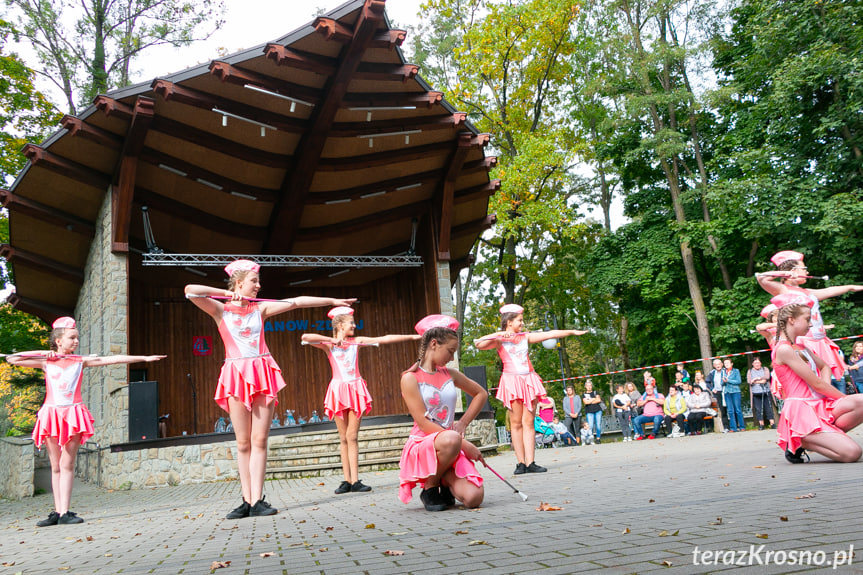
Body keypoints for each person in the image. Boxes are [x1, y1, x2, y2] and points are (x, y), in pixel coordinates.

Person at [185, 259, 355, 519]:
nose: (258, 285)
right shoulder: (220, 310)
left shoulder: (260, 310)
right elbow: (190, 290)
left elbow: (296, 301)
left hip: (263, 372)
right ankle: (245, 499)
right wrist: (228, 295)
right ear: (240, 282)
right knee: (242, 443)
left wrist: (331, 301)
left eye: (258, 281)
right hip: (235, 375)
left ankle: (257, 500)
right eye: (254, 281)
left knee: (259, 440)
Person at [6, 317, 165, 527]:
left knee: (67, 463)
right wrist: (44, 353)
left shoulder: (80, 361)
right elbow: (12, 359)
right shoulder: (46, 361)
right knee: (55, 465)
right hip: (52, 414)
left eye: (77, 337)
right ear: (58, 341)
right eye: (72, 337)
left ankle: (65, 512)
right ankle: (57, 510)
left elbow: (113, 359)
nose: (76, 341)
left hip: (73, 413)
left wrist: (144, 358)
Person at [301, 306, 419, 495]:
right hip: (338, 390)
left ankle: (355, 480)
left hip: (355, 389)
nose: (354, 325)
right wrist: (332, 339)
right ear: (340, 324)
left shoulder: (357, 342)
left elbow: (384, 338)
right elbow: (305, 337)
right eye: (351, 322)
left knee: (352, 436)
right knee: (343, 437)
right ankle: (347, 480)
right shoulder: (329, 345)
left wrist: (413, 337)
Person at [475, 304, 586, 474]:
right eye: (519, 320)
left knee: (529, 422)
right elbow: (478, 344)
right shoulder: (498, 340)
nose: (522, 322)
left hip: (529, 380)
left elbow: (549, 334)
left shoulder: (525, 336)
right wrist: (499, 334)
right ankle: (520, 463)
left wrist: (571, 332)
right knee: (516, 423)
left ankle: (531, 462)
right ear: (509, 321)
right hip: (511, 382)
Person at [398, 315, 486, 511]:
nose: (452, 358)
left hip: (450, 442)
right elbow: (422, 423)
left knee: (474, 498)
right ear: (434, 344)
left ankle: (444, 479)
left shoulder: (450, 374)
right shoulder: (410, 378)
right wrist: (463, 442)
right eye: (450, 351)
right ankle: (430, 486)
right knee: (451, 440)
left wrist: (462, 423)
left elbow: (481, 393)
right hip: (425, 441)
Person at [770, 293, 863, 464]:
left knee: (861, 401)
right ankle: (800, 439)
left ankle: (823, 436)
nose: (811, 323)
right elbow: (816, 383)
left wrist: (826, 388)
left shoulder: (800, 345)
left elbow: (825, 367)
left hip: (819, 403)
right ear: (791, 320)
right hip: (801, 410)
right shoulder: (783, 349)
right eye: (807, 319)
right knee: (853, 454)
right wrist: (843, 399)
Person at [756, 250, 863, 381]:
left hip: (819, 340)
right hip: (803, 341)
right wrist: (786, 273)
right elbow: (761, 278)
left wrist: (852, 287)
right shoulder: (782, 289)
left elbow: (829, 290)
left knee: (825, 376)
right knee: (812, 378)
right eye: (804, 268)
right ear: (793, 270)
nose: (807, 272)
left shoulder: (807, 292)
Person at [747, 357, 775, 430]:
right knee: (758, 409)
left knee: (769, 407)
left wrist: (756, 379)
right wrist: (760, 381)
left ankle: (772, 423)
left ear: (760, 363)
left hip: (766, 391)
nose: (757, 364)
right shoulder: (750, 371)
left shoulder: (765, 369)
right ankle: (761, 424)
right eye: (755, 363)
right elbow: (749, 381)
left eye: (758, 362)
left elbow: (767, 377)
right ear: (752, 364)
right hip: (755, 393)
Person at [722, 359, 744, 432]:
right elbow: (721, 383)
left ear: (732, 363)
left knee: (738, 410)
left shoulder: (736, 371)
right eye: (725, 363)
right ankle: (733, 427)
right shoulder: (723, 371)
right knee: (730, 411)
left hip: (735, 391)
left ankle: (742, 426)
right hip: (727, 392)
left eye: (728, 363)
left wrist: (728, 380)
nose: (726, 364)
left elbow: (738, 381)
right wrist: (723, 381)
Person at [707, 359, 729, 431]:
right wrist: (712, 389)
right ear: (714, 366)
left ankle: (735, 425)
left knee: (731, 409)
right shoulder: (712, 373)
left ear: (722, 364)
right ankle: (726, 427)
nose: (718, 365)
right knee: (723, 410)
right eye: (716, 364)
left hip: (727, 391)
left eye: (719, 364)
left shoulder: (726, 371)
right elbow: (707, 382)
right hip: (718, 393)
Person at [582, 379, 604, 444]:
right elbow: (586, 402)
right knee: (590, 426)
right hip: (589, 411)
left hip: (598, 410)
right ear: (585, 386)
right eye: (587, 386)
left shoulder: (595, 392)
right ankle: (590, 439)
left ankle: (598, 438)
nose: (589, 387)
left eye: (590, 385)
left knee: (598, 425)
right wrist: (594, 399)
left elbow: (598, 400)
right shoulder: (584, 394)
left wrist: (590, 401)